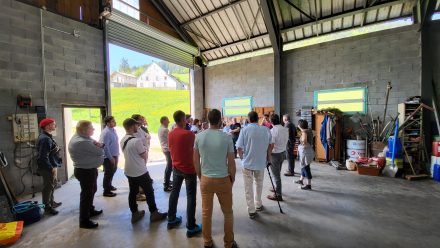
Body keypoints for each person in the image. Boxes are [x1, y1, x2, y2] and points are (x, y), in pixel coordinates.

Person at [194, 109, 238, 248]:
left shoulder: (199, 137)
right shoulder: (227, 138)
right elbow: (231, 163)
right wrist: (232, 179)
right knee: (228, 213)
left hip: (206, 179)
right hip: (223, 179)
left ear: (208, 120)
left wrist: (201, 176)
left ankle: (207, 242)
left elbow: (195, 161)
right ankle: (228, 243)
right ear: (220, 120)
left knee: (206, 213)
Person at [120, 118, 168, 223]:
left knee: (132, 192)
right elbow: (144, 156)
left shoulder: (123, 139)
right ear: (131, 127)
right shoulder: (136, 141)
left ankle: (134, 213)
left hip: (129, 171)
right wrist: (145, 145)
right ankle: (154, 213)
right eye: (136, 125)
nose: (138, 127)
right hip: (140, 171)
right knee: (149, 191)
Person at [167, 110, 202, 237]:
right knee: (191, 197)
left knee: (174, 193)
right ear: (183, 120)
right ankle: (191, 227)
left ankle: (171, 219)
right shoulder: (189, 134)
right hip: (189, 169)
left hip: (176, 167)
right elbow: (195, 151)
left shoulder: (170, 133)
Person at [68, 120, 104, 229]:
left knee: (92, 190)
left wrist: (98, 145)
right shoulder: (82, 142)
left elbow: (97, 145)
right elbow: (100, 151)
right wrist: (100, 146)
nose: (93, 129)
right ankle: (84, 221)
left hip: (88, 170)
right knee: (86, 195)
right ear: (84, 130)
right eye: (91, 128)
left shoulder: (83, 138)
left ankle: (90, 210)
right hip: (85, 171)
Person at [236, 111, 271, 219]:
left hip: (247, 163)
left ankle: (251, 210)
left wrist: (242, 158)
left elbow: (239, 147)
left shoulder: (244, 130)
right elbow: (270, 145)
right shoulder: (265, 130)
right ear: (257, 119)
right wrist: (268, 158)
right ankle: (258, 204)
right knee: (259, 184)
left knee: (248, 186)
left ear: (249, 119)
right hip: (261, 162)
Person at [36, 118, 62, 216]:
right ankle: (47, 207)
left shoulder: (46, 136)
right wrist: (50, 167)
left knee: (52, 185)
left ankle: (51, 202)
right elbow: (42, 157)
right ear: (47, 126)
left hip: (52, 164)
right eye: (53, 124)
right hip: (48, 166)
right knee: (48, 187)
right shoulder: (45, 139)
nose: (55, 126)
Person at [267, 114, 289, 201]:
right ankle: (277, 188)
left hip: (275, 155)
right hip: (283, 153)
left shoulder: (273, 131)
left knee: (276, 175)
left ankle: (278, 195)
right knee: (277, 173)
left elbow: (271, 145)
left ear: (271, 121)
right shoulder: (285, 129)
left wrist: (268, 155)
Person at [131, 114, 151, 201]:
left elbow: (148, 135)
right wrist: (146, 139)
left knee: (142, 170)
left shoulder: (139, 128)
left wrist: (146, 138)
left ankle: (140, 188)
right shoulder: (134, 132)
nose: (142, 120)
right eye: (139, 119)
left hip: (144, 151)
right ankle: (137, 192)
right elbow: (140, 141)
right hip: (140, 153)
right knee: (139, 172)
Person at [99, 116, 119, 197]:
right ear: (107, 123)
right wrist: (110, 158)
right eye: (113, 121)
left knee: (112, 171)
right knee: (108, 173)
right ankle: (106, 191)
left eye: (114, 121)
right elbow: (105, 146)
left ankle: (109, 185)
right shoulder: (106, 132)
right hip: (109, 156)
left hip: (115, 154)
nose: (115, 122)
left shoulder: (113, 130)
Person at [295, 119, 315, 190]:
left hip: (305, 152)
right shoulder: (309, 130)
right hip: (308, 151)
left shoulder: (304, 132)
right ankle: (301, 180)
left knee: (305, 168)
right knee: (304, 166)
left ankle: (308, 185)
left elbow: (304, 141)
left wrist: (302, 144)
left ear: (300, 126)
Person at [158, 116, 173, 192]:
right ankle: (166, 185)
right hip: (168, 149)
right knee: (169, 166)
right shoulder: (165, 130)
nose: (169, 122)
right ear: (163, 121)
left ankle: (166, 181)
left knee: (169, 166)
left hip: (165, 149)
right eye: (167, 120)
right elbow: (171, 139)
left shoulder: (160, 128)